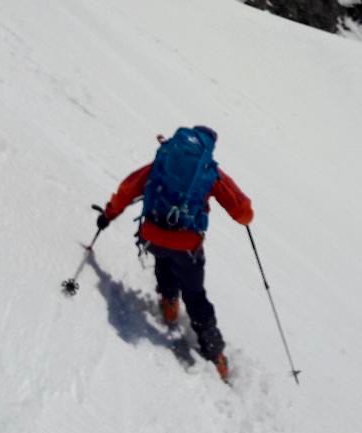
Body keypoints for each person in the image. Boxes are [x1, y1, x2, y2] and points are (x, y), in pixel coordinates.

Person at [96, 125, 253, 380]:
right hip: (187, 245)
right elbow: (243, 211)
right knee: (195, 295)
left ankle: (169, 304)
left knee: (163, 260)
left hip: (153, 235)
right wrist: (245, 217)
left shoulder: (164, 161)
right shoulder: (209, 172)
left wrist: (108, 215)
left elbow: (128, 188)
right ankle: (215, 355)